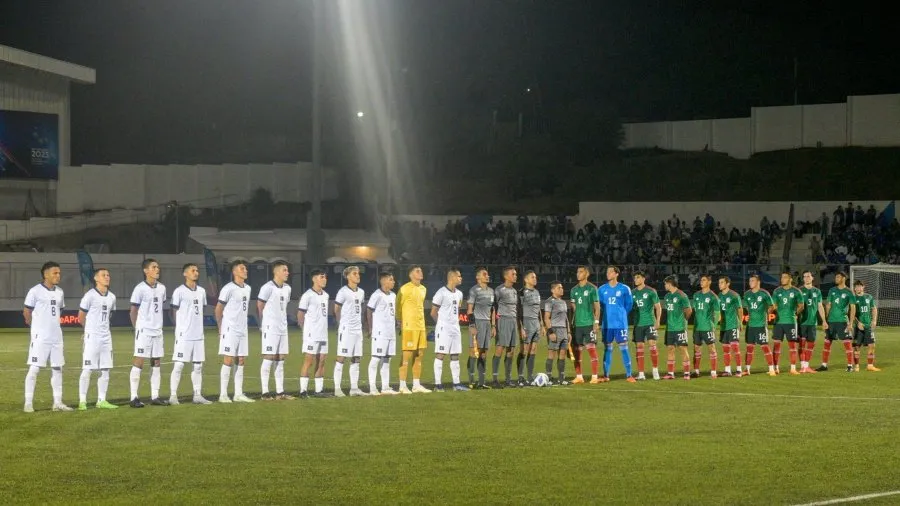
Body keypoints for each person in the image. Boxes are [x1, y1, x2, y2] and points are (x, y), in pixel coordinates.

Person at [23, 262, 71, 412]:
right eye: (55, 273)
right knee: (34, 368)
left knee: (57, 368)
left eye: (59, 273)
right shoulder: (35, 291)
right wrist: (36, 328)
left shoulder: (60, 292)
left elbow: (59, 310)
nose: (58, 276)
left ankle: (57, 402)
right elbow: (26, 312)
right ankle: (28, 403)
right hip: (41, 337)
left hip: (56, 336)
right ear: (46, 274)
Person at [168, 263, 211, 405]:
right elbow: (172, 311)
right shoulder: (179, 291)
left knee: (198, 366)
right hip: (184, 335)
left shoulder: (202, 291)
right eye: (193, 270)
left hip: (198, 335)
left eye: (197, 270)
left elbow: (201, 310)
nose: (196, 272)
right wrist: (179, 328)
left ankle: (197, 395)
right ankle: (173, 396)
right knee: (179, 365)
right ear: (185, 273)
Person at [129, 258, 169, 407]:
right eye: (154, 267)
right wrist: (137, 328)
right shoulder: (140, 288)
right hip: (144, 331)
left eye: (158, 267)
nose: (157, 269)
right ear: (146, 271)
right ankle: (133, 397)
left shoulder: (162, 288)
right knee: (139, 361)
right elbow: (133, 311)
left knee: (156, 362)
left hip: (157, 331)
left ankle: (155, 396)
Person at [77, 268, 119, 410]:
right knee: (88, 368)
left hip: (106, 337)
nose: (107, 277)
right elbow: (81, 316)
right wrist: (87, 331)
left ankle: (101, 400)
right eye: (103, 275)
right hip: (92, 337)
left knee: (105, 369)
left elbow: (111, 315)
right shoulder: (90, 295)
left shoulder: (112, 297)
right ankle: (82, 401)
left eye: (108, 275)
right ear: (96, 278)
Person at [216, 259, 254, 403]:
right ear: (234, 272)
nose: (245, 271)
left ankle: (238, 394)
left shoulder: (248, 288)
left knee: (241, 359)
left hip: (242, 329)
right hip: (230, 329)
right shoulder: (228, 288)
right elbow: (218, 309)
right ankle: (223, 394)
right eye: (242, 268)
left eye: (246, 268)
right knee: (228, 359)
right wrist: (220, 327)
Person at [257, 261, 293, 400]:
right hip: (270, 327)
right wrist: (263, 324)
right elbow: (259, 305)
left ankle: (280, 392)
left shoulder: (287, 288)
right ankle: (265, 393)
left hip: (283, 328)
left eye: (287, 270)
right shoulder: (267, 287)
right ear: (276, 272)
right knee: (269, 357)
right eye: (284, 270)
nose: (287, 273)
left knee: (280, 358)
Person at [431, 268, 468, 391]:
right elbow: (433, 312)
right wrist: (440, 325)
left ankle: (456, 384)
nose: (461, 278)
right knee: (440, 354)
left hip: (455, 328)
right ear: (452, 277)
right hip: (444, 328)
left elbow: (457, 309)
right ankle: (437, 385)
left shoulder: (459, 294)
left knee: (455, 355)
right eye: (459, 276)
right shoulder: (441, 292)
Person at [334, 266, 367, 397]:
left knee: (356, 358)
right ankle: (337, 389)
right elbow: (336, 309)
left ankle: (354, 389)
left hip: (358, 330)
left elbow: (361, 308)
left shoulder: (362, 292)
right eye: (354, 273)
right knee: (341, 357)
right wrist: (340, 324)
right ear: (348, 276)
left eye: (358, 273)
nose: (358, 275)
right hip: (346, 329)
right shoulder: (343, 291)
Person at [597, 266, 635, 382]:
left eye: (610, 272)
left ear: (616, 274)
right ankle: (606, 376)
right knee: (607, 348)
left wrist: (620, 314)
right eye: (607, 272)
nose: (607, 274)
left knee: (624, 348)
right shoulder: (601, 289)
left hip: (620, 324)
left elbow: (629, 305)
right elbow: (600, 306)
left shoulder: (625, 288)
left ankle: (629, 375)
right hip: (607, 324)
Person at [398, 265, 431, 394]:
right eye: (417, 271)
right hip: (409, 326)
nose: (420, 272)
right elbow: (398, 306)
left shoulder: (423, 289)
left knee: (419, 355)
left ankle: (416, 385)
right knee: (406, 355)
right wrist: (400, 321)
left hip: (421, 326)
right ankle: (402, 385)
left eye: (421, 271)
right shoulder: (404, 289)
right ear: (411, 275)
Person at [298, 269, 330, 397]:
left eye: (325, 277)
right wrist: (304, 330)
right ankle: (303, 391)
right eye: (322, 277)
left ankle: (318, 391)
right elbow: (300, 314)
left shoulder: (326, 295)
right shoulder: (307, 295)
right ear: (314, 279)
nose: (324, 279)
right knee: (309, 361)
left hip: (323, 334)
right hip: (311, 334)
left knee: (322, 360)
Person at [366, 272, 399, 395]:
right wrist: (370, 328)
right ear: (384, 281)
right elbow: (368, 311)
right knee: (375, 359)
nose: (393, 282)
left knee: (387, 360)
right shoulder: (377, 295)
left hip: (390, 332)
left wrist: (397, 322)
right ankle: (372, 388)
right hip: (379, 332)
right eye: (391, 280)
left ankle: (385, 387)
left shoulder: (393, 295)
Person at [817, 272, 856, 372]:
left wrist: (851, 323)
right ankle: (824, 365)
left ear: (844, 278)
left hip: (842, 321)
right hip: (831, 321)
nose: (836, 278)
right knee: (827, 343)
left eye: (838, 277)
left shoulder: (849, 292)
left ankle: (850, 366)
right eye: (836, 277)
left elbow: (853, 307)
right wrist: (825, 320)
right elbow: (828, 304)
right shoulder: (832, 290)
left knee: (847, 343)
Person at [568, 266, 601, 384]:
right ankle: (579, 377)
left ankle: (594, 377)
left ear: (586, 274)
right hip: (577, 325)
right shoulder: (573, 290)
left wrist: (596, 322)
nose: (578, 274)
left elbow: (597, 307)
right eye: (577, 271)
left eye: (581, 272)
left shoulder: (592, 288)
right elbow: (574, 308)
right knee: (577, 351)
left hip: (589, 324)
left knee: (591, 349)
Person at [466, 267, 495, 389]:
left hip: (487, 323)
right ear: (478, 277)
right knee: (474, 352)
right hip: (477, 323)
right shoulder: (474, 290)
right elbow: (469, 310)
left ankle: (482, 382)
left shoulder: (491, 291)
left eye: (487, 274)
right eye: (484, 274)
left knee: (484, 353)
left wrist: (493, 325)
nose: (487, 276)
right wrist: (472, 325)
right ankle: (471, 381)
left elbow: (493, 310)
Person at [494, 266, 523, 388]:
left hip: (513, 321)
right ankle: (495, 379)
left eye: (516, 274)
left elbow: (516, 309)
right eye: (513, 274)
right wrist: (494, 323)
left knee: (511, 350)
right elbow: (493, 306)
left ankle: (508, 379)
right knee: (500, 348)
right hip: (503, 320)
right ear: (506, 276)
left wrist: (520, 326)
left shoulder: (515, 291)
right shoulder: (499, 290)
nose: (515, 276)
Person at [742, 274, 776, 376]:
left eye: (752, 280)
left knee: (765, 346)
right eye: (749, 281)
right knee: (749, 348)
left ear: (758, 282)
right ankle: (747, 370)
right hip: (750, 325)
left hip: (761, 325)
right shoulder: (747, 294)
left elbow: (772, 306)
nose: (750, 283)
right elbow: (746, 307)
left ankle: (771, 369)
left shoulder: (764, 293)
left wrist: (766, 314)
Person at [771, 272, 805, 375]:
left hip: (791, 322)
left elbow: (801, 306)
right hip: (778, 322)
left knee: (792, 345)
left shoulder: (796, 291)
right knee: (776, 345)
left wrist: (795, 313)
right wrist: (772, 308)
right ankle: (775, 368)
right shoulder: (777, 291)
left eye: (785, 277)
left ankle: (793, 368)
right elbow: (774, 305)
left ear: (790, 279)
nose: (782, 279)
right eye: (781, 277)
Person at [631, 271, 661, 381]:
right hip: (638, 324)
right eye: (635, 278)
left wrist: (657, 321)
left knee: (652, 345)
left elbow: (658, 307)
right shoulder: (632, 293)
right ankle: (641, 374)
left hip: (650, 323)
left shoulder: (651, 291)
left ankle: (655, 371)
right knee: (639, 347)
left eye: (638, 277)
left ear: (643, 279)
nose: (635, 279)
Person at [662, 276, 692, 380]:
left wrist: (684, 321)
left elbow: (689, 310)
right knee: (670, 349)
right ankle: (670, 373)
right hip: (670, 328)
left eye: (665, 284)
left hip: (680, 328)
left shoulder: (682, 295)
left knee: (683, 349)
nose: (664, 286)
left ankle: (687, 373)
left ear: (670, 284)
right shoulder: (667, 296)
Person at [690, 274, 720, 378]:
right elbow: (695, 311)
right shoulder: (696, 295)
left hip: (708, 327)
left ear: (709, 282)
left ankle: (713, 371)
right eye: (701, 280)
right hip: (697, 328)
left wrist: (714, 326)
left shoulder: (713, 297)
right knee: (696, 349)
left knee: (711, 348)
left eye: (703, 280)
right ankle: (696, 371)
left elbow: (718, 314)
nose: (701, 282)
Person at [798, 271, 826, 374]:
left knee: (811, 344)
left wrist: (824, 321)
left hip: (812, 322)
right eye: (805, 276)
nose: (807, 278)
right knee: (801, 344)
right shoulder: (799, 290)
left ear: (812, 278)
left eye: (808, 276)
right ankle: (802, 366)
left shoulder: (817, 291)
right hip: (801, 322)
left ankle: (806, 366)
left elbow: (820, 306)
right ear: (803, 279)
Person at [518, 270, 543, 385]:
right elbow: (519, 310)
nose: (535, 279)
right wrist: (521, 327)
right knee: (524, 349)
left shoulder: (537, 292)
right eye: (532, 277)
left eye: (535, 277)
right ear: (526, 279)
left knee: (533, 350)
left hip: (536, 323)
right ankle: (520, 377)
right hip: (526, 322)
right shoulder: (522, 292)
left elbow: (539, 310)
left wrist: (542, 324)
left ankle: (530, 376)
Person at [543, 281, 570, 385]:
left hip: (564, 330)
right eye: (559, 288)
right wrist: (551, 332)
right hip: (555, 330)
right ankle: (548, 378)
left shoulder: (563, 302)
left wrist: (568, 332)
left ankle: (561, 378)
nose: (562, 289)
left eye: (562, 287)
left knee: (562, 354)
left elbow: (566, 318)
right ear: (553, 290)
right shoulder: (550, 301)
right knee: (552, 354)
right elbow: (546, 317)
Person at [851, 280, 880, 372]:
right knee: (857, 346)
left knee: (872, 345)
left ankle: (870, 366)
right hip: (858, 327)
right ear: (854, 288)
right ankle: (856, 366)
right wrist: (858, 323)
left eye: (860, 286)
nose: (858, 288)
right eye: (856, 286)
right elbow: (851, 313)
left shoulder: (869, 297)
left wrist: (874, 320)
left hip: (868, 326)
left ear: (863, 287)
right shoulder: (853, 298)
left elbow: (874, 308)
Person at [717, 276, 743, 377]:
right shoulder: (719, 295)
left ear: (727, 284)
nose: (719, 284)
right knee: (725, 349)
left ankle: (739, 370)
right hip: (723, 327)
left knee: (735, 348)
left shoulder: (734, 295)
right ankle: (727, 370)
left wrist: (740, 322)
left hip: (733, 325)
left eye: (722, 282)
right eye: (719, 282)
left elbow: (739, 309)